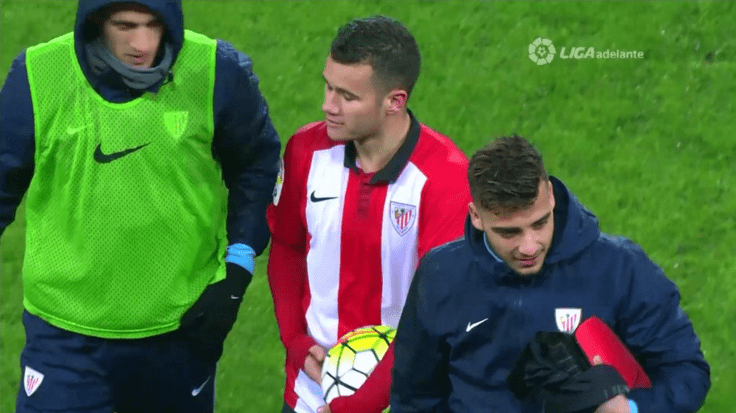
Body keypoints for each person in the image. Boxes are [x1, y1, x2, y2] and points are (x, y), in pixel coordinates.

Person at [0, 0, 280, 411]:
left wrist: (238, 268)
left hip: (180, 333)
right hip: (65, 338)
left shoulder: (216, 71)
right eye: (126, 26)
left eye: (154, 26)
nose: (143, 43)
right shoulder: (40, 76)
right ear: (96, 23)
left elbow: (256, 166)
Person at [390, 135, 710, 412]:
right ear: (476, 217)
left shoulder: (620, 268)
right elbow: (414, 397)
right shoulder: (441, 273)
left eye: (540, 223)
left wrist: (631, 409)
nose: (529, 246)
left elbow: (687, 371)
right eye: (509, 232)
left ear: (551, 198)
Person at [266, 15, 471, 413]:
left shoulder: (445, 180)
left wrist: (353, 407)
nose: (328, 105)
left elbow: (435, 315)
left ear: (395, 101)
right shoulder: (305, 152)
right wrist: (295, 339)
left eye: (348, 96)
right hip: (310, 394)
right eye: (328, 86)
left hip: (401, 398)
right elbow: (288, 248)